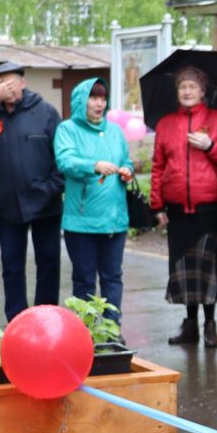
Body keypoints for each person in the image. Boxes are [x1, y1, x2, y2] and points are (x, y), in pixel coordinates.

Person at [0, 62, 64, 320]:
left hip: (46, 203)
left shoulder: (45, 113)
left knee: (48, 263)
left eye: (13, 82)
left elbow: (62, 155)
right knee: (11, 267)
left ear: (23, 82)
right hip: (7, 205)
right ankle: (17, 320)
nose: (8, 89)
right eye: (2, 84)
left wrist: (53, 187)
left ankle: (46, 317)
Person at [151, 66, 217, 346]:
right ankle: (190, 326)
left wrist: (210, 145)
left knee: (208, 268)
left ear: (202, 91)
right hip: (177, 209)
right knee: (184, 269)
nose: (187, 91)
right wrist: (157, 204)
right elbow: (157, 166)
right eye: (182, 87)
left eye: (192, 87)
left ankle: (210, 325)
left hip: (209, 206)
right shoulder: (165, 124)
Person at [55, 78, 134, 323]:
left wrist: (127, 171)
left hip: (114, 220)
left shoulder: (115, 131)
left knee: (112, 277)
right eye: (93, 98)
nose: (99, 104)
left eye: (102, 98)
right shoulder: (67, 129)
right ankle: (85, 332)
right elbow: (65, 161)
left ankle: (112, 331)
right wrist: (94, 165)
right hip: (81, 222)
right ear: (82, 101)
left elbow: (127, 160)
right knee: (84, 280)